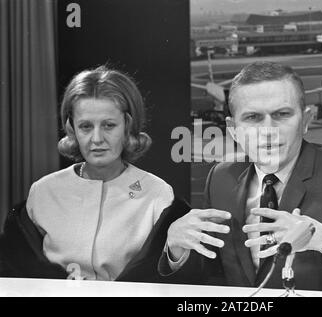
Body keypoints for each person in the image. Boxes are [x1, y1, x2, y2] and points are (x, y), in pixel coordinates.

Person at [159, 61, 322, 295]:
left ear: (306, 120)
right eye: (253, 117)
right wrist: (175, 248)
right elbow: (214, 272)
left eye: (282, 115)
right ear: (233, 130)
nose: (268, 131)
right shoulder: (220, 178)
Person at [0, 66, 190, 281]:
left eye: (109, 125)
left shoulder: (158, 194)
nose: (96, 139)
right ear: (71, 128)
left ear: (128, 126)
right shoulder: (43, 191)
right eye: (85, 127)